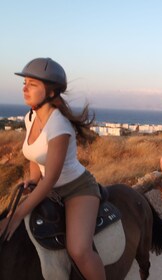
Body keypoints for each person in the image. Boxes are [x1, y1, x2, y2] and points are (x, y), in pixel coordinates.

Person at [0, 58, 106, 280]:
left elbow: (51, 179)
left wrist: (18, 214)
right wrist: (32, 178)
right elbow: (34, 155)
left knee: (79, 250)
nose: (25, 88)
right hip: (50, 188)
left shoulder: (59, 126)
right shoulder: (30, 118)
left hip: (76, 189)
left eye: (33, 84)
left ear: (50, 92)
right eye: (25, 82)